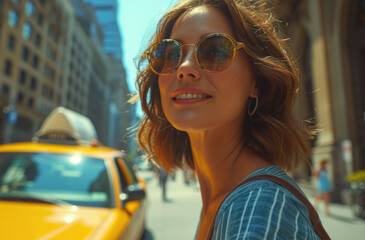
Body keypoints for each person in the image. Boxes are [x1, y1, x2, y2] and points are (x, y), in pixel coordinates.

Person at [133, 0, 328, 239]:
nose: (184, 67)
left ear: (255, 82)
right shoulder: (223, 200)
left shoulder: (259, 211)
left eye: (215, 51)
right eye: (171, 53)